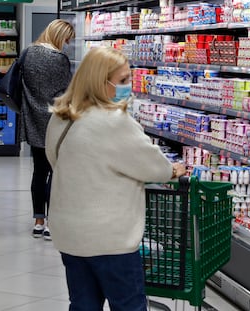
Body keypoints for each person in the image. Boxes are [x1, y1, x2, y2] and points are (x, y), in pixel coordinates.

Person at [45, 46, 187, 311]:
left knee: (83, 304)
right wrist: (173, 170)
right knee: (128, 305)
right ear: (101, 83)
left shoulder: (61, 116)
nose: (129, 86)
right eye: (122, 80)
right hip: (109, 238)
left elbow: (56, 161)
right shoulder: (114, 121)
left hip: (69, 233)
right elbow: (153, 166)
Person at [21, 19, 75, 240]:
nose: (67, 44)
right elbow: (66, 90)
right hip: (56, 123)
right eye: (67, 39)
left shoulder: (27, 53)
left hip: (32, 118)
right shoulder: (59, 59)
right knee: (56, 172)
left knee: (39, 172)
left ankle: (38, 222)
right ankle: (52, 223)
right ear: (59, 36)